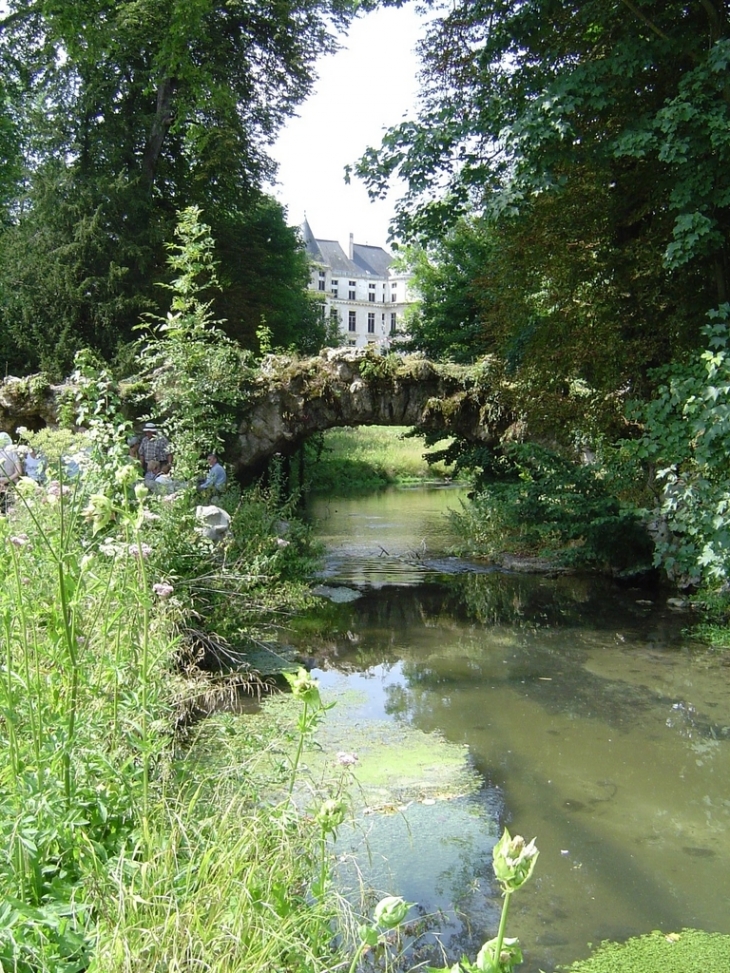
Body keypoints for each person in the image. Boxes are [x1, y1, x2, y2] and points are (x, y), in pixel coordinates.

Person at [0, 432, 22, 509]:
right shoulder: (13, 453)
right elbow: (19, 471)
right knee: (10, 508)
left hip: (4, 481)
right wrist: (6, 480)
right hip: (10, 481)